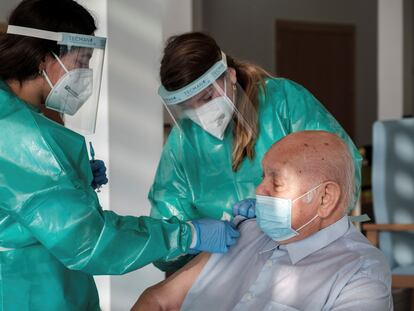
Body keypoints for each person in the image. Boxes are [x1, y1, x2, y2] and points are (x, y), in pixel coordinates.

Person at [0, 1, 239, 309]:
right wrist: (186, 234)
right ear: (47, 57)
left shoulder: (14, 116)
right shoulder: (22, 136)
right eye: (81, 60)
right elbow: (89, 241)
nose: (85, 73)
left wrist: (68, 183)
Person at [149, 32, 363, 272]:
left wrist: (283, 215)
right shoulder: (183, 142)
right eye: (189, 107)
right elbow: (164, 233)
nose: (200, 113)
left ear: (230, 75)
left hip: (302, 262)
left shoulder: (283, 102)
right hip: (225, 271)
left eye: (207, 97)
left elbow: (343, 172)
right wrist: (191, 237)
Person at [133, 131, 393, 311]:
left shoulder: (359, 273)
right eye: (262, 177)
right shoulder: (244, 230)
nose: (259, 191)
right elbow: (158, 300)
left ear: (325, 198)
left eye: (276, 182)